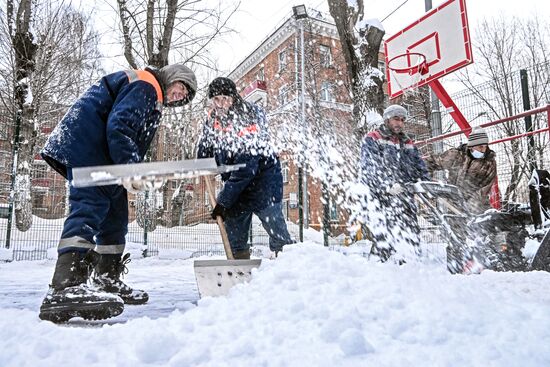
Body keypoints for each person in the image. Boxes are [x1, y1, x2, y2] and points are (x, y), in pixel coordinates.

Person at [38, 63, 197, 322]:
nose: (180, 96)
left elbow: (124, 132)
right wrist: (130, 168)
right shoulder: (147, 85)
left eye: (184, 97)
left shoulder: (151, 94)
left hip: (103, 155)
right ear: (172, 78)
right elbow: (120, 127)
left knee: (115, 214)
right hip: (89, 148)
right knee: (89, 207)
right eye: (181, 88)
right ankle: (64, 288)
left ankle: (106, 279)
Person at [196, 77, 294, 259]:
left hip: (263, 182)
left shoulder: (249, 116)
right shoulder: (214, 119)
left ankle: (289, 268)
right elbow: (204, 152)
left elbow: (246, 167)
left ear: (233, 97)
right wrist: (203, 156)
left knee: (275, 227)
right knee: (234, 235)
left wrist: (223, 201)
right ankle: (240, 274)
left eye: (225, 98)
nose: (220, 104)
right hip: (236, 186)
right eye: (216, 99)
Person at [360, 104, 430, 262]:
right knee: (386, 236)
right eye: (396, 119)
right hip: (381, 197)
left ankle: (411, 266)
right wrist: (386, 185)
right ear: (387, 120)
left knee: (410, 233)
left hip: (404, 195)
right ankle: (380, 267)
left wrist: (426, 185)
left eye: (402, 120)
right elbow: (369, 167)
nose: (400, 123)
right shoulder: (373, 138)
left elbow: (419, 165)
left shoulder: (407, 142)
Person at [425, 127, 497, 214]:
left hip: (477, 206)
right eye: (480, 147)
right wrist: (425, 176)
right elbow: (432, 162)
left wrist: (469, 207)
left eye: (485, 147)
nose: (483, 150)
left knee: (479, 225)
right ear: (472, 146)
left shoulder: (489, 164)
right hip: (453, 204)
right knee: (453, 226)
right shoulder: (456, 156)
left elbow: (484, 190)